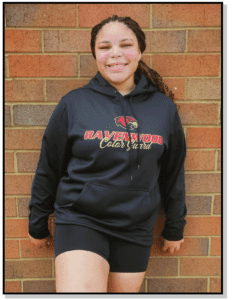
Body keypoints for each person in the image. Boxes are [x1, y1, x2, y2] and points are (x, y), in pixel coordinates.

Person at [28, 15, 187, 293]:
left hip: (135, 226)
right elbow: (49, 167)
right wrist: (37, 222)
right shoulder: (74, 104)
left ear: (139, 51)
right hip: (81, 219)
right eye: (104, 47)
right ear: (95, 54)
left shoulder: (163, 109)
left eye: (125, 44)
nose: (115, 54)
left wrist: (175, 225)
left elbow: (173, 172)